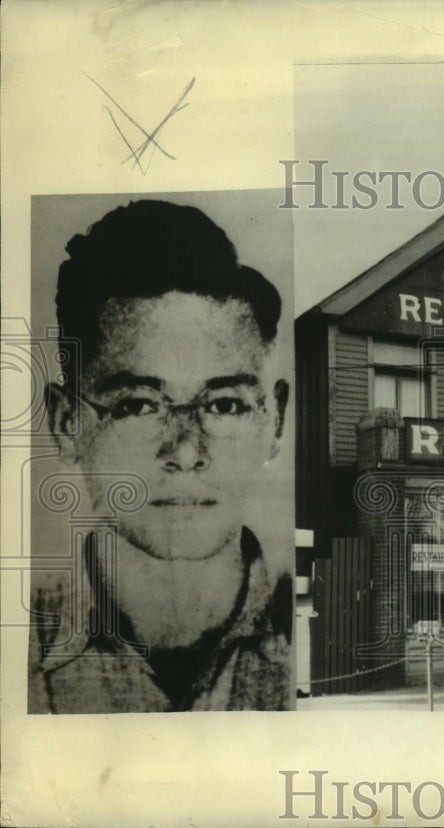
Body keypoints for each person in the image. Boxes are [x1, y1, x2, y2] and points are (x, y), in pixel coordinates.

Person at [29, 199, 293, 712]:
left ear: (275, 420)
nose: (187, 452)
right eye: (137, 405)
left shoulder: (309, 634)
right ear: (66, 423)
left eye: (225, 404)